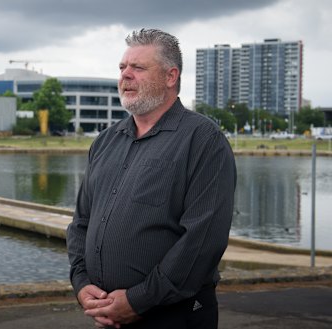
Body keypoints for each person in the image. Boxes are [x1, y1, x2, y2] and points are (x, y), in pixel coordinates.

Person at [66, 28, 236, 329]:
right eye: (122, 67)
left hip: (174, 318)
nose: (125, 75)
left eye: (138, 68)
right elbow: (81, 223)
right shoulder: (105, 141)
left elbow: (202, 241)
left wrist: (138, 301)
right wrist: (81, 284)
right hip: (106, 315)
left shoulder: (203, 141)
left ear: (171, 77)